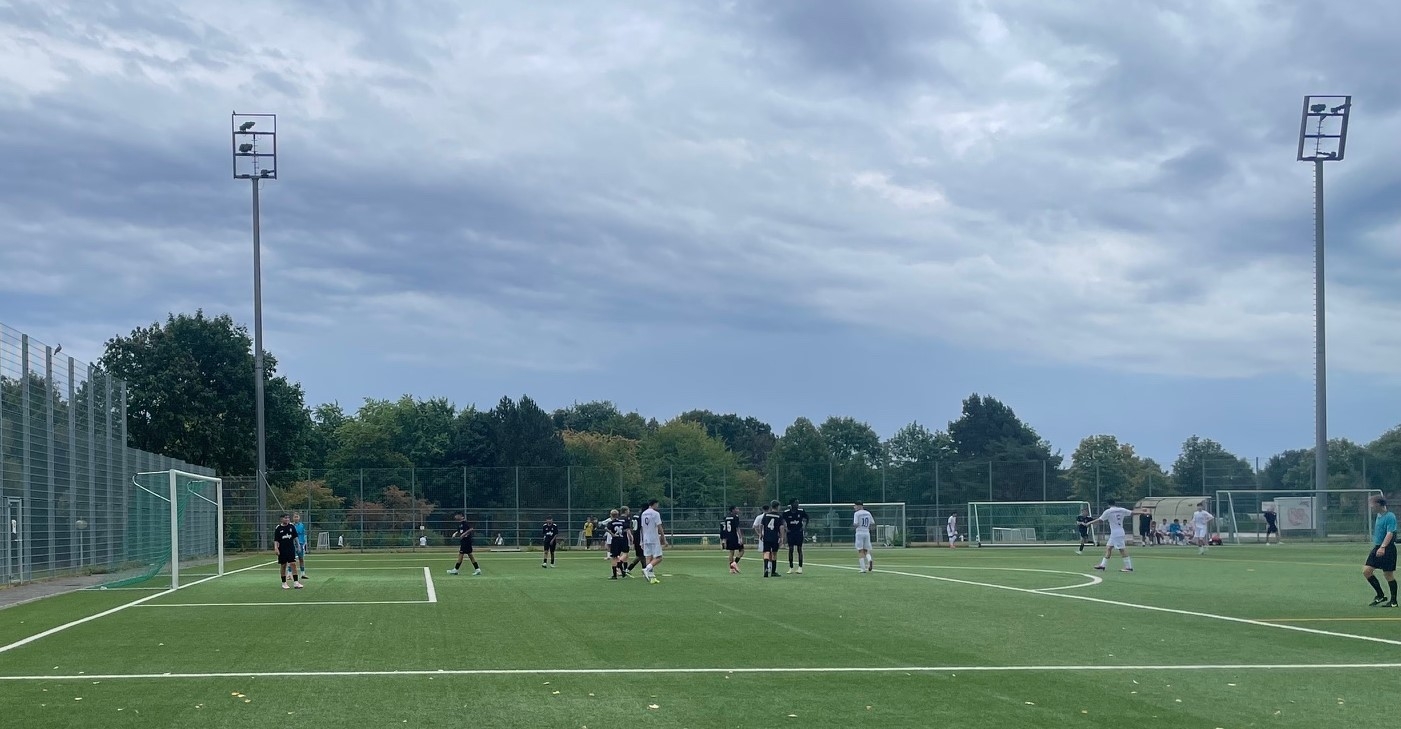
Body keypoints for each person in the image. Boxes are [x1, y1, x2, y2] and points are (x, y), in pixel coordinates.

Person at [1364, 497, 1397, 608]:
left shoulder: (1390, 516)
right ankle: (1380, 595)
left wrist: (1383, 547)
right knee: (1367, 571)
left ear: (1378, 504)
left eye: (1372, 504)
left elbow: (1390, 533)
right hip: (1377, 547)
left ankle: (1393, 601)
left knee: (1388, 574)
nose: (1371, 507)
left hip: (1387, 548)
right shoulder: (1378, 515)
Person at [1086, 500, 1133, 572]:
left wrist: (1090, 523)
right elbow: (1133, 512)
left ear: (1108, 504)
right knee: (1109, 548)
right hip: (1117, 532)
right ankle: (1102, 565)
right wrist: (1144, 512)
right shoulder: (1121, 509)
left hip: (1116, 533)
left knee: (1122, 549)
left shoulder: (1108, 511)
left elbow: (1100, 520)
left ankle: (1129, 567)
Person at [272, 514, 303, 589]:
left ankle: (296, 582)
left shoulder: (291, 526)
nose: (287, 519)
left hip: (291, 548)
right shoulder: (278, 528)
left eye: (288, 518)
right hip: (282, 549)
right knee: (283, 565)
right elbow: (276, 540)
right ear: (281, 519)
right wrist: (276, 548)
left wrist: (298, 546)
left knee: (293, 564)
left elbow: (295, 537)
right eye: (285, 518)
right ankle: (284, 583)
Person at [640, 499, 666, 584]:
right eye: (657, 504)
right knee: (659, 557)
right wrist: (663, 537)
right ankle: (646, 569)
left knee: (649, 557)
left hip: (646, 538)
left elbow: (642, 527)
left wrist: (642, 540)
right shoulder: (655, 513)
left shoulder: (644, 513)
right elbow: (659, 526)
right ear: (654, 504)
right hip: (653, 538)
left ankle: (651, 577)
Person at [757, 500, 785, 578]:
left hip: (766, 536)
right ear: (777, 506)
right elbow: (781, 527)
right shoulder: (779, 516)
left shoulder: (766, 515)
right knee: (774, 553)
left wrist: (761, 534)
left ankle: (766, 569)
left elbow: (761, 525)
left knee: (766, 552)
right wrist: (782, 537)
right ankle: (773, 572)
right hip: (774, 537)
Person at [782, 499, 809, 574]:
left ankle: (800, 567)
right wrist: (785, 528)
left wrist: (804, 526)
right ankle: (791, 567)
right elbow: (782, 520)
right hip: (790, 533)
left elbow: (807, 518)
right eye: (795, 503)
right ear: (791, 504)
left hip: (798, 532)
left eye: (798, 503)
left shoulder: (801, 511)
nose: (797, 504)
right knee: (791, 549)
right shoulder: (786, 512)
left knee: (799, 549)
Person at [606, 509, 630, 580]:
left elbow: (607, 528)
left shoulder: (611, 523)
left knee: (614, 557)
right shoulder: (621, 522)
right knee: (622, 554)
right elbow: (627, 528)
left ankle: (614, 575)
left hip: (615, 540)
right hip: (622, 539)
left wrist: (612, 534)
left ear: (611, 515)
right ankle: (622, 572)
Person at [720, 505, 745, 573]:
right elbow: (737, 528)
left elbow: (724, 528)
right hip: (735, 536)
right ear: (733, 510)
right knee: (742, 550)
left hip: (728, 536)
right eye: (736, 509)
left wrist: (724, 539)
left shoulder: (726, 517)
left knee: (731, 552)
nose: (738, 510)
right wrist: (740, 537)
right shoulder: (735, 517)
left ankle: (731, 569)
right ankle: (734, 563)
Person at [853, 501, 875, 573]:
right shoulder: (868, 513)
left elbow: (856, 524)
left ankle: (863, 568)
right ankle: (869, 559)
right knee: (866, 550)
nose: (854, 507)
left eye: (855, 506)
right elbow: (872, 523)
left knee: (860, 550)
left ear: (859, 506)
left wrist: (855, 526)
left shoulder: (857, 514)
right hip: (867, 532)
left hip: (859, 532)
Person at [624, 506, 645, 576]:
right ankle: (645, 570)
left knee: (640, 555)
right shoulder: (642, 516)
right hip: (640, 537)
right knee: (641, 555)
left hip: (635, 536)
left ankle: (629, 569)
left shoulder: (635, 516)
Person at [292, 512, 308, 580]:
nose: (296, 518)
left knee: (301, 558)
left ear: (299, 518)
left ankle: (303, 573)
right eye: (295, 517)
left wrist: (304, 543)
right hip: (293, 544)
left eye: (297, 517)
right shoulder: (291, 526)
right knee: (292, 560)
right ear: (293, 518)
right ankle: (289, 574)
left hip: (300, 544)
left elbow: (303, 534)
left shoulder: (301, 525)